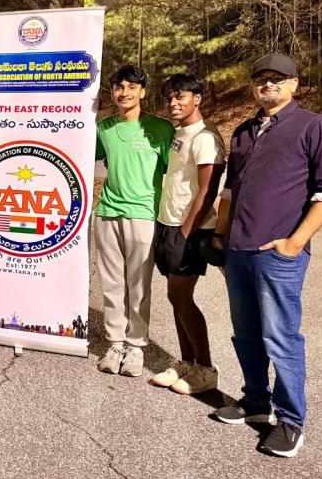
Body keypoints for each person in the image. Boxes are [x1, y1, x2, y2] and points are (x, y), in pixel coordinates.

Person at [211, 53, 322, 458]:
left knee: (280, 336)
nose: (268, 84)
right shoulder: (244, 131)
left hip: (278, 253)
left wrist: (294, 243)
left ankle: (291, 421)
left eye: (278, 77)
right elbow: (230, 191)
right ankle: (256, 402)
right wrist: (221, 237)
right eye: (261, 78)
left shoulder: (313, 126)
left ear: (294, 84)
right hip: (238, 250)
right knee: (245, 332)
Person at [93, 64, 174, 378]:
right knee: (112, 284)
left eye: (131, 87)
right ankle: (115, 344)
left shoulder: (161, 128)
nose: (124, 93)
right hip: (107, 212)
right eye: (118, 87)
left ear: (142, 91)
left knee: (138, 285)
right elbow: (84, 156)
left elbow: (175, 173)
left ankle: (136, 346)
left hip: (143, 215)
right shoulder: (104, 127)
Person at [149, 74, 225, 395]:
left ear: (198, 98)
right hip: (168, 223)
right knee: (174, 297)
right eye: (169, 97)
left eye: (180, 96)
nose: (173, 103)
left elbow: (208, 191)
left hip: (190, 229)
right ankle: (186, 362)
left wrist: (185, 231)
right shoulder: (179, 132)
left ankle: (206, 369)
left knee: (182, 297)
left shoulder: (206, 137)